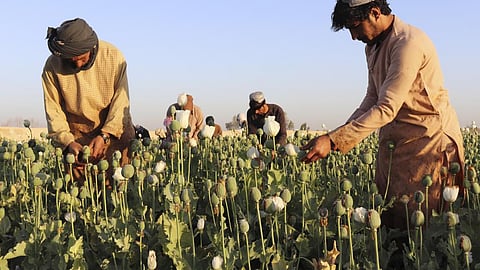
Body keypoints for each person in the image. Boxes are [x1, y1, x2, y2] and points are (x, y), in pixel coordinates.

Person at [302, 0, 465, 231]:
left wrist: (333, 141)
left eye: (355, 26)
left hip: (428, 143)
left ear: (375, 13)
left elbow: (387, 107)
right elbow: (372, 98)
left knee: (426, 227)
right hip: (397, 144)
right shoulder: (373, 46)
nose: (353, 36)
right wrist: (334, 136)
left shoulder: (407, 44)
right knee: (393, 216)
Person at [42, 18, 135, 185]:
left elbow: (121, 103)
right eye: (71, 60)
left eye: (82, 58)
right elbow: (53, 110)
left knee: (117, 193)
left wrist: (105, 135)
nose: (77, 63)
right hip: (77, 141)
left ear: (92, 48)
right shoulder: (52, 66)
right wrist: (68, 142)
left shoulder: (113, 57)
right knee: (82, 197)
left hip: (114, 134)